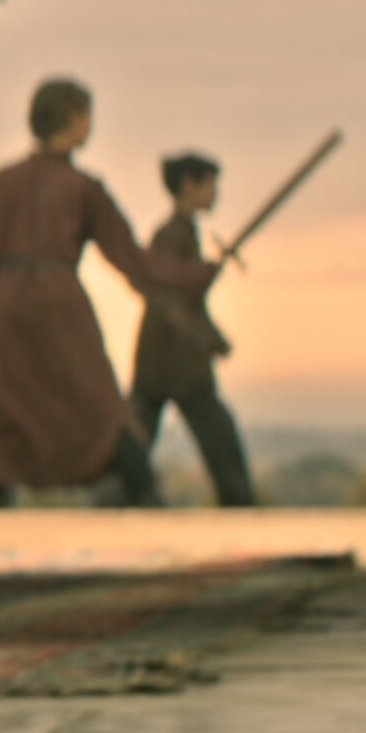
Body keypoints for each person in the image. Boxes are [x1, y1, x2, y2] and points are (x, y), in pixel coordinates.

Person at [0, 80, 220, 507]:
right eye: (87, 116)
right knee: (101, 406)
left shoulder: (1, 182)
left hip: (4, 308)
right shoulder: (82, 187)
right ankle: (145, 494)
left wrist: (9, 280)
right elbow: (132, 259)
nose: (90, 125)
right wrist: (196, 275)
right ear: (74, 118)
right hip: (59, 306)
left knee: (5, 410)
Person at [129, 152, 256, 508]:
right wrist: (208, 338)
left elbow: (185, 298)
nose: (216, 194)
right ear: (189, 186)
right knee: (221, 448)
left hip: (168, 361)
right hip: (174, 363)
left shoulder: (181, 234)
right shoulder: (172, 235)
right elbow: (166, 298)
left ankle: (121, 505)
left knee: (136, 445)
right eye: (210, 185)